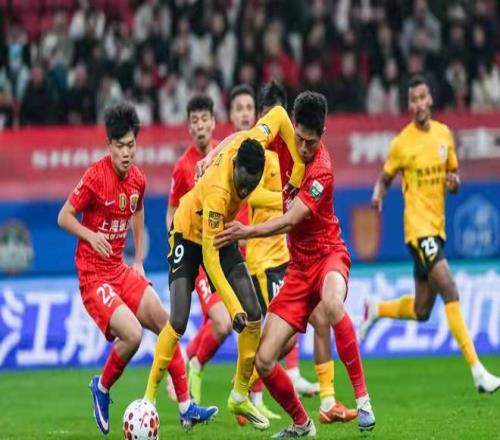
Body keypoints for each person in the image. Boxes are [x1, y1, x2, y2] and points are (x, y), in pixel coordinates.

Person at [215, 91, 376, 436]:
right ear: (293, 125)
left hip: (329, 254)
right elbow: (245, 140)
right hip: (298, 269)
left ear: (323, 134)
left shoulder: (322, 170)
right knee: (264, 359)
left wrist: (246, 231)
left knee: (332, 305)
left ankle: (363, 400)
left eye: (310, 142)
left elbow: (290, 220)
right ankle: (302, 424)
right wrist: (213, 155)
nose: (302, 148)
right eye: (299, 138)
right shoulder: (284, 137)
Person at [57, 102, 218, 436]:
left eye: (131, 145)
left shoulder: (138, 180)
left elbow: (138, 210)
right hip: (94, 276)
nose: (126, 153)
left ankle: (186, 408)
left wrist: (140, 260)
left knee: (168, 323)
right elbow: (64, 216)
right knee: (131, 334)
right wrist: (90, 235)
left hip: (119, 270)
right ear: (109, 145)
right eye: (120, 146)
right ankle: (101, 388)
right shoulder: (95, 176)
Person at [144, 105, 304, 430]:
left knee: (255, 313)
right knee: (178, 320)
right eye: (241, 184)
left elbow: (278, 115)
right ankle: (149, 398)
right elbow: (210, 259)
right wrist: (232, 309)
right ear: (234, 168)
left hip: (222, 232)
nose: (244, 191)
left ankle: (240, 395)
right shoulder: (219, 193)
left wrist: (298, 172)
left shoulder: (252, 142)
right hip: (189, 233)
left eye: (250, 186)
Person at [360, 76, 500, 394]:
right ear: (409, 105)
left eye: (423, 97)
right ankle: (478, 371)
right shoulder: (401, 143)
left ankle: (376, 308)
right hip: (418, 229)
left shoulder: (443, 134)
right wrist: (378, 195)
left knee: (422, 310)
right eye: (413, 99)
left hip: (438, 229)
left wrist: (454, 183)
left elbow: (453, 177)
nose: (419, 104)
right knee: (449, 287)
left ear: (431, 99)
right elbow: (385, 178)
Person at [166, 95, 232, 405]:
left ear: (214, 122)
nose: (200, 125)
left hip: (222, 250)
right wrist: (176, 248)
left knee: (228, 322)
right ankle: (192, 364)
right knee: (222, 321)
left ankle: (187, 357)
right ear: (189, 127)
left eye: (205, 118)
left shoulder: (224, 153)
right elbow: (172, 212)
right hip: (197, 254)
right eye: (195, 120)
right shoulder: (183, 167)